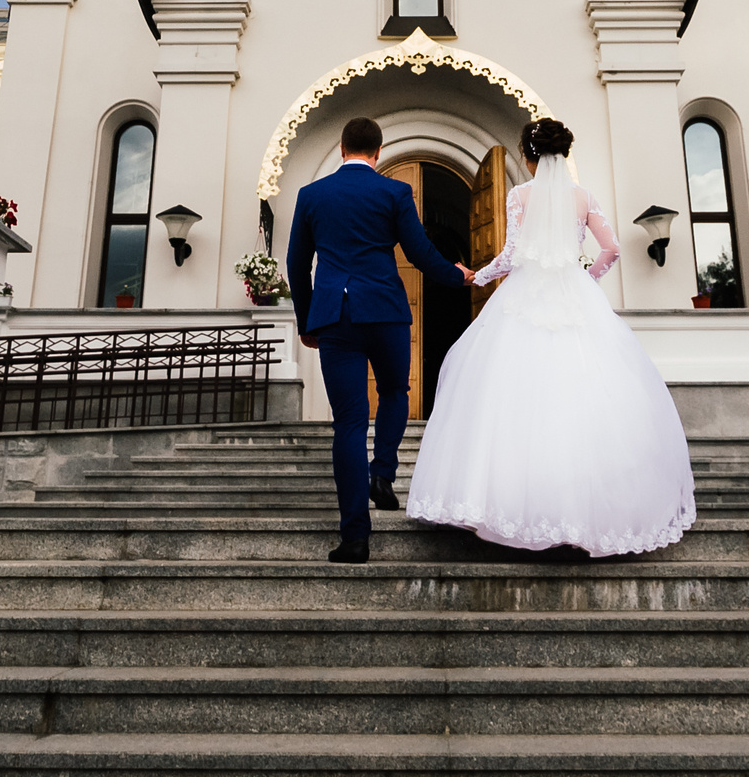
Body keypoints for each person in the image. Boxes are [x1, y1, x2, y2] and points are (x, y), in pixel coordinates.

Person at [406, 116, 696, 556]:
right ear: (565, 153)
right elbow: (612, 249)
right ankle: (583, 511)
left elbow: (509, 255)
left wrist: (475, 278)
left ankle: (506, 506)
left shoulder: (521, 196)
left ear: (528, 156)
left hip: (525, 298)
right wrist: (587, 279)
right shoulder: (583, 198)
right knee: (585, 395)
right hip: (574, 296)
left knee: (511, 396)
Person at [287, 115, 473, 563]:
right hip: (386, 311)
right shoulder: (394, 191)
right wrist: (457, 276)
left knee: (348, 423)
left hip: (334, 317)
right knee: (394, 392)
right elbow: (418, 251)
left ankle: (355, 537)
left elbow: (296, 263)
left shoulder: (312, 195)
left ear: (341, 146)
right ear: (378, 152)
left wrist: (308, 322)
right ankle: (383, 474)